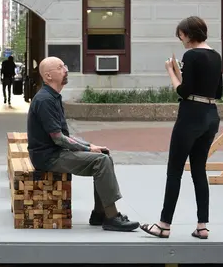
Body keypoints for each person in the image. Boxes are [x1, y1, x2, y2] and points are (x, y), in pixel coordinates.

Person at [27, 57, 139, 232]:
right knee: (100, 161)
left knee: (103, 156)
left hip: (56, 151)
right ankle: (111, 217)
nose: (66, 69)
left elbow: (64, 135)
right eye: (60, 67)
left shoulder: (53, 97)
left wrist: (91, 145)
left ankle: (99, 214)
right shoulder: (45, 100)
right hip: (48, 157)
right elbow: (58, 139)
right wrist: (88, 149)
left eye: (64, 65)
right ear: (48, 76)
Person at [141, 16, 223, 240]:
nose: (181, 40)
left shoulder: (191, 55)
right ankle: (202, 226)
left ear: (188, 34)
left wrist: (171, 71)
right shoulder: (216, 56)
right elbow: (217, 92)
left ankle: (163, 225)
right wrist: (181, 75)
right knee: (199, 170)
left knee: (174, 170)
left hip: (190, 116)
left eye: (182, 36)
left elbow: (183, 92)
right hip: (211, 115)